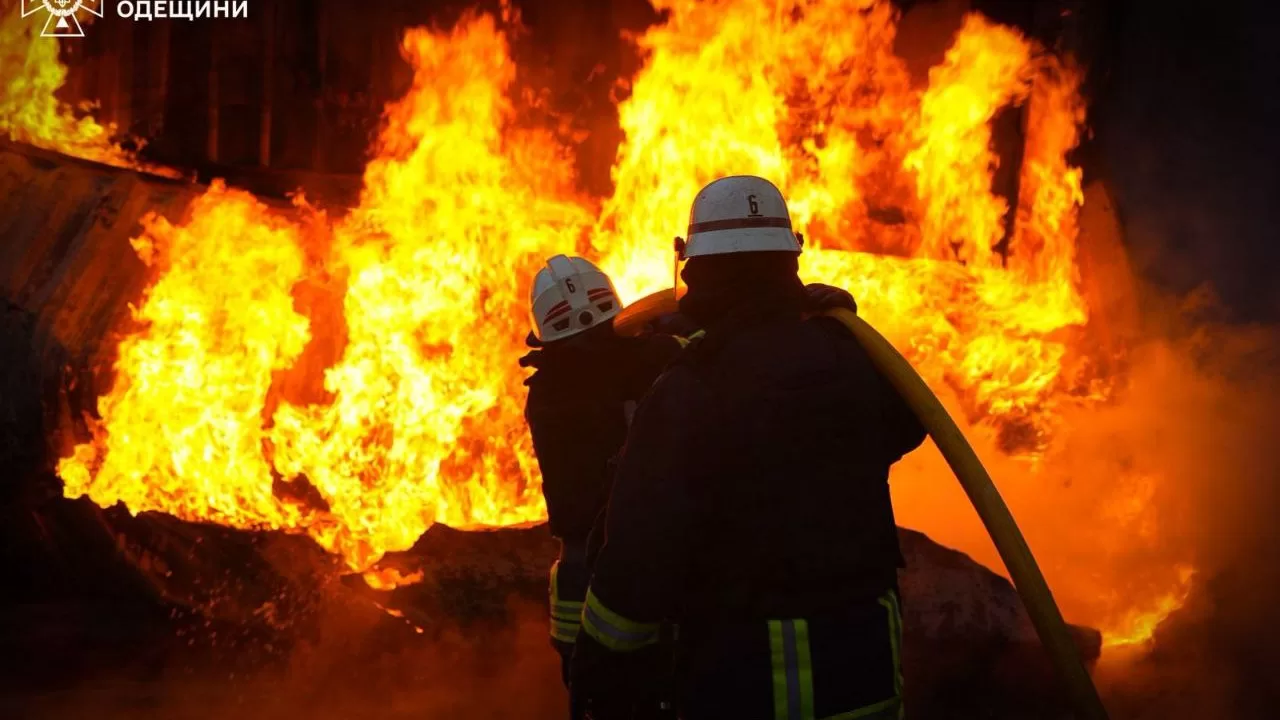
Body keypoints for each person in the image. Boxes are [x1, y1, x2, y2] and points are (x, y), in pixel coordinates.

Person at [569, 176, 927, 720]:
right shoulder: (853, 360)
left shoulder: (692, 391)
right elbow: (906, 425)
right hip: (868, 673)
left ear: (697, 269)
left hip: (750, 681)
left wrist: (598, 671)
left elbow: (637, 563)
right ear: (790, 260)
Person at [522, 255, 690, 687]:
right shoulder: (653, 358)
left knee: (593, 688)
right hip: (654, 574)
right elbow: (706, 348)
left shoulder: (545, 392)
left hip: (579, 583)